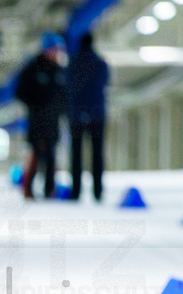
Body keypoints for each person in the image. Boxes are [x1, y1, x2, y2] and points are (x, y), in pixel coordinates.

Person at [14, 32, 67, 200]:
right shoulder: (32, 69)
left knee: (51, 155)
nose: (57, 54)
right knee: (36, 154)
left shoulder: (59, 71)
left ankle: (49, 191)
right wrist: (35, 105)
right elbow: (20, 92)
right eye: (54, 50)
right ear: (46, 50)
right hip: (37, 120)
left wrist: (61, 110)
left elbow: (64, 95)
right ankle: (28, 189)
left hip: (52, 121)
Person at [67, 32, 109, 202]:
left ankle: (76, 190)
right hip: (97, 113)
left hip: (76, 113)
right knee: (97, 153)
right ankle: (97, 191)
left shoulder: (73, 63)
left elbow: (67, 86)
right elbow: (105, 83)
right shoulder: (100, 63)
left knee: (76, 154)